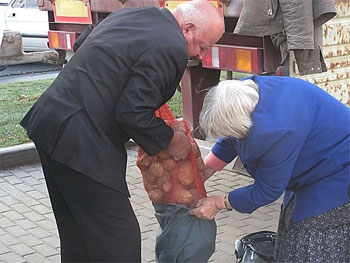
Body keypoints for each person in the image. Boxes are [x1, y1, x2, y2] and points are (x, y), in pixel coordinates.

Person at [20, 1, 224, 262]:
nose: (200, 55)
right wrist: (171, 140)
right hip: (81, 142)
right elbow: (132, 112)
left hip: (49, 122)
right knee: (120, 238)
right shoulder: (172, 46)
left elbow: (82, 43)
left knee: (77, 232)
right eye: (202, 46)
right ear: (188, 29)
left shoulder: (134, 14)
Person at [189, 76, 350, 262]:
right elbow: (231, 136)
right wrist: (204, 172)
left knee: (310, 234)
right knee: (292, 227)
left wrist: (219, 203)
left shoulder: (277, 130)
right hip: (314, 158)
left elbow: (267, 190)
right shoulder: (242, 93)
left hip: (338, 170)